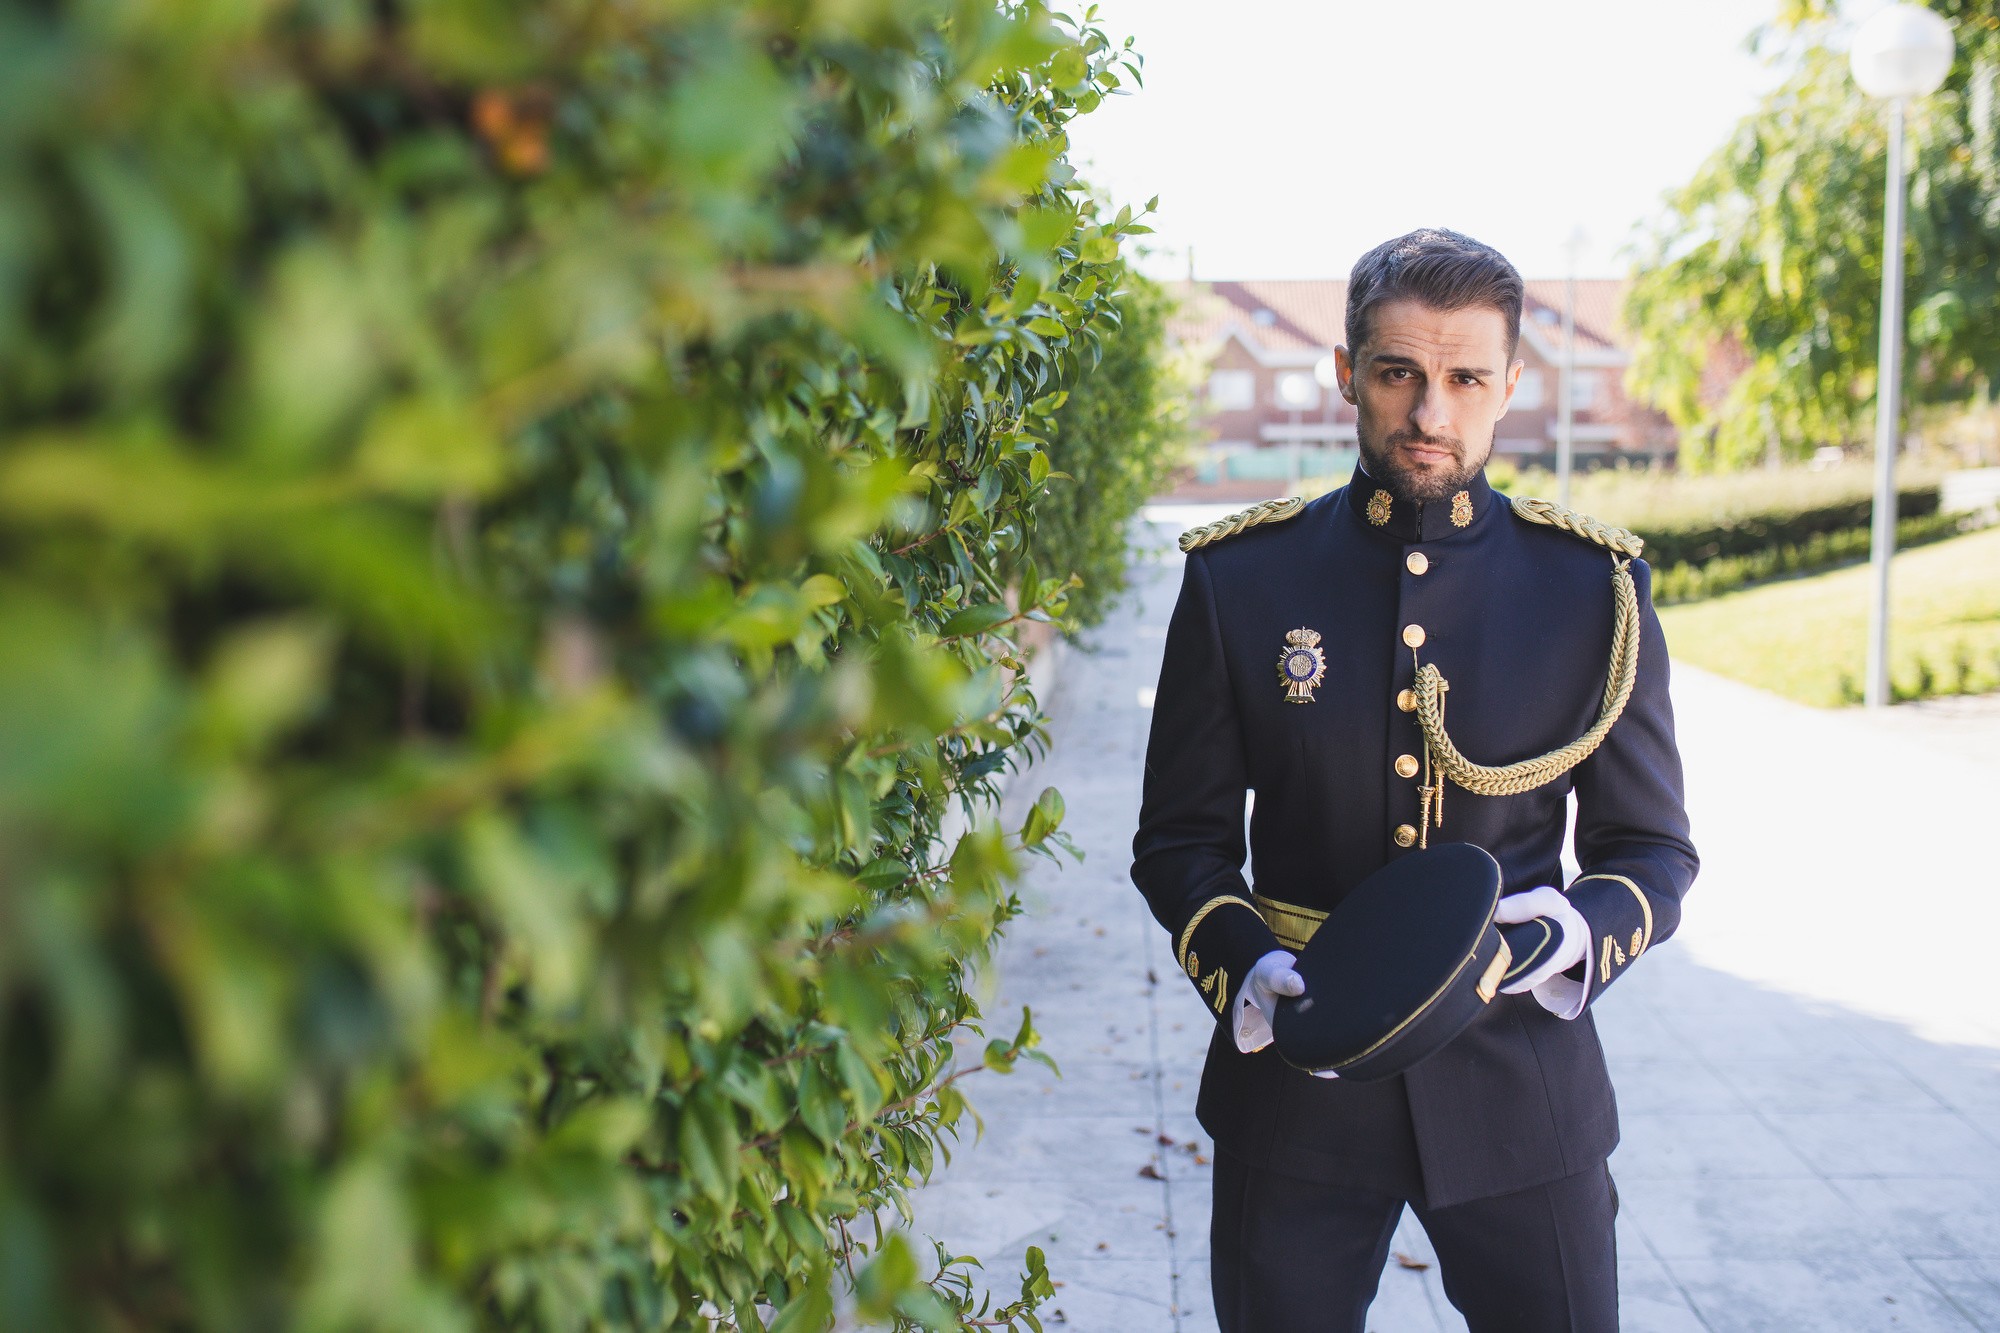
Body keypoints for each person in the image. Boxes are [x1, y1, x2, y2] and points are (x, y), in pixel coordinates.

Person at [1131, 228, 1698, 1332]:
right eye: (1396, 373)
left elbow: (1649, 854)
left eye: (1462, 378)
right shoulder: (1240, 579)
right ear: (1345, 374)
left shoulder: (1594, 590)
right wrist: (1246, 965)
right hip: (1294, 1091)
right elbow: (1179, 843)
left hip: (1520, 1089)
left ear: (1509, 387)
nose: (1428, 412)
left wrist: (1544, 941)